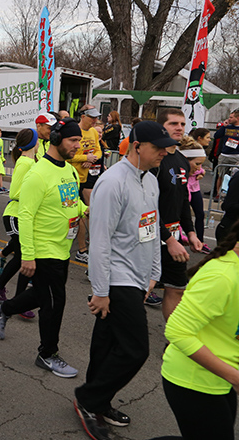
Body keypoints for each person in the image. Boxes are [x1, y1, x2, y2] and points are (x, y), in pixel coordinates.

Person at [73, 121, 173, 440]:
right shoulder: (111, 183)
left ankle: (97, 401)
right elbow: (100, 241)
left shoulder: (151, 181)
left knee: (108, 341)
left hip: (139, 275)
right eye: (157, 148)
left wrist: (154, 273)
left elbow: (152, 229)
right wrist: (101, 291)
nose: (163, 153)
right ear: (136, 147)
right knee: (135, 349)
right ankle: (88, 399)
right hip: (117, 276)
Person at [0, 118, 87, 378]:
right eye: (73, 140)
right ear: (56, 139)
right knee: (55, 303)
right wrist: (29, 257)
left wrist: (87, 210)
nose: (77, 146)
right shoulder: (37, 174)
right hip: (44, 250)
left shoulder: (67, 169)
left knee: (44, 296)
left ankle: (4, 308)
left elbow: (72, 203)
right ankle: (47, 354)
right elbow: (25, 216)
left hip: (61, 247)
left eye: (78, 140)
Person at [158, 219, 239, 440]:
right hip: (193, 381)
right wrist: (236, 377)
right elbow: (177, 331)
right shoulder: (223, 276)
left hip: (219, 379)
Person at [152, 108, 202, 320]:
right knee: (143, 288)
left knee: (177, 288)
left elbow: (183, 200)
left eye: (182, 124)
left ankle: (173, 341)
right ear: (161, 127)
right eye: (173, 124)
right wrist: (169, 239)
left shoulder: (181, 159)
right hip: (150, 236)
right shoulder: (153, 160)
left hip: (172, 237)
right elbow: (146, 208)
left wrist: (190, 232)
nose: (179, 128)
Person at [0, 128, 37, 320]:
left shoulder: (31, 161)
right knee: (24, 255)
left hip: (25, 215)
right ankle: (9, 294)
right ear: (33, 142)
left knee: (23, 256)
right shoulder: (25, 163)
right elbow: (15, 192)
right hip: (15, 215)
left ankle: (4, 290)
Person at [69, 106, 102, 264]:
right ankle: (80, 249)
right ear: (82, 116)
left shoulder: (94, 132)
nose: (95, 121)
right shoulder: (74, 131)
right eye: (92, 117)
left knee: (87, 213)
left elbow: (99, 150)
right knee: (77, 214)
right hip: (73, 177)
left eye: (96, 118)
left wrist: (92, 158)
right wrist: (85, 158)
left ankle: (83, 248)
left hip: (89, 178)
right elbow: (68, 155)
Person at [180, 135, 209, 253]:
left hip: (194, 188)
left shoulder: (196, 158)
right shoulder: (178, 181)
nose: (198, 168)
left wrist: (190, 234)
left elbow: (184, 214)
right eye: (197, 164)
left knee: (199, 214)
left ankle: (200, 241)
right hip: (167, 237)